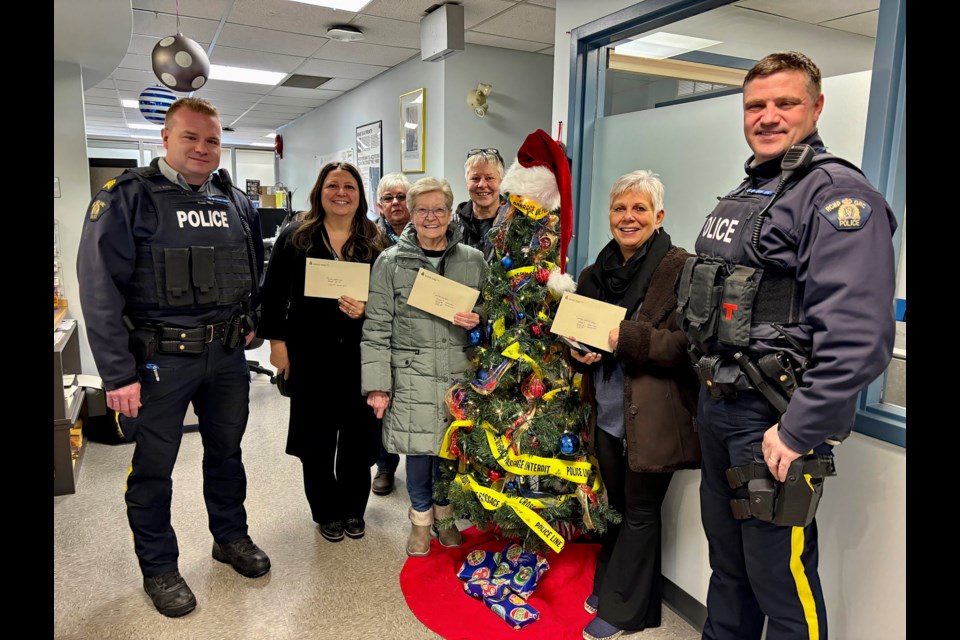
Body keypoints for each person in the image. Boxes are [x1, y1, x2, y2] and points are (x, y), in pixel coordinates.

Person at [676, 52, 897, 640]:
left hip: (772, 418)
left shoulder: (837, 196)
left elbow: (859, 338)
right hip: (722, 408)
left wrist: (800, 430)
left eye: (786, 103)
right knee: (729, 569)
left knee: (782, 581)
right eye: (756, 105)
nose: (768, 116)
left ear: (817, 107)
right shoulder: (753, 190)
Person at [76, 97, 270, 618]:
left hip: (226, 358)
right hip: (159, 362)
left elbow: (252, 268)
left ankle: (229, 538)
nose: (202, 149)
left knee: (226, 454)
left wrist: (251, 323)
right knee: (153, 469)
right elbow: (99, 291)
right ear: (166, 139)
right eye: (191, 137)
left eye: (211, 140)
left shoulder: (234, 200)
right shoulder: (126, 199)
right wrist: (117, 374)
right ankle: (159, 568)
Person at [566, 170, 701, 640]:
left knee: (642, 510)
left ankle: (625, 612)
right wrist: (576, 352)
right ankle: (623, 590)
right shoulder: (594, 271)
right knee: (619, 504)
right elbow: (579, 331)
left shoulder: (682, 269)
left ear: (659, 215)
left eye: (640, 209)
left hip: (654, 415)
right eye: (620, 209)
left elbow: (690, 346)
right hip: (606, 410)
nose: (629, 218)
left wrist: (631, 338)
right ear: (609, 217)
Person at [361, 177, 488, 556]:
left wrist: (478, 317)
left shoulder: (473, 260)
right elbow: (376, 327)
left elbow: (491, 310)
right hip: (411, 372)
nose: (430, 217)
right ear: (410, 214)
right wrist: (378, 385)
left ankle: (445, 517)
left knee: (450, 452)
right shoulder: (390, 262)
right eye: (422, 209)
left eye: (439, 209)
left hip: (457, 371)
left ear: (451, 213)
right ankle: (420, 519)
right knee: (417, 452)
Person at [257, 162, 383, 543]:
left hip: (361, 356)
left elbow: (391, 299)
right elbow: (273, 295)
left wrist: (368, 308)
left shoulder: (376, 240)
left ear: (360, 195)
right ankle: (325, 510)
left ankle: (352, 509)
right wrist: (277, 347)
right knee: (317, 439)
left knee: (358, 440)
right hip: (309, 354)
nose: (341, 192)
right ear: (320, 191)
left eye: (349, 186)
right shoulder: (296, 237)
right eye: (332, 185)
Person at [370, 172, 412, 496]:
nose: (396, 203)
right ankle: (385, 466)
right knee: (382, 399)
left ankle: (423, 471)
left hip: (416, 332)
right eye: (389, 198)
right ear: (379, 205)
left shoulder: (425, 235)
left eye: (401, 196)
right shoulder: (368, 238)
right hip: (383, 329)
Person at [454, 148, 506, 254]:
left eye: (489, 178)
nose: (482, 185)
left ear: (501, 181)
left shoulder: (518, 224)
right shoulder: (451, 225)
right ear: (466, 181)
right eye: (475, 178)